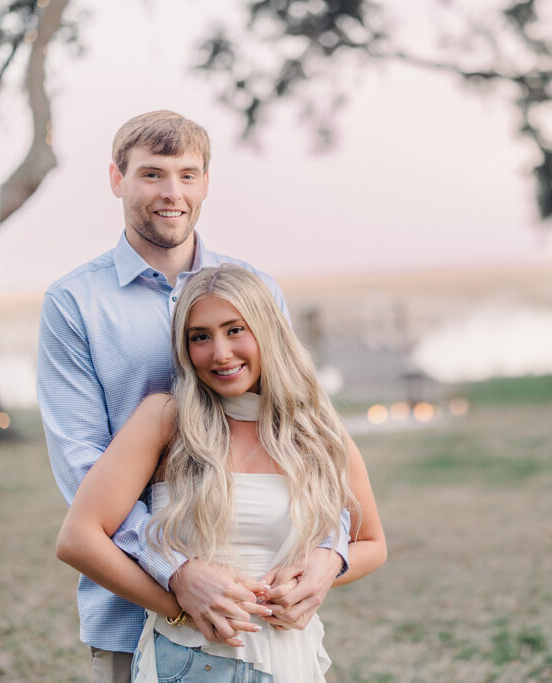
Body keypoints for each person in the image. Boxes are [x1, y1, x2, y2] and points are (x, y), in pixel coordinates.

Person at [37, 111, 352, 683]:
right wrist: (177, 572)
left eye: (187, 174)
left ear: (206, 182)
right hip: (130, 608)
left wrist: (330, 554)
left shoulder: (253, 289)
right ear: (117, 179)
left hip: (263, 622)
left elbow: (297, 427)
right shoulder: (73, 304)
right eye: (151, 174)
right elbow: (81, 467)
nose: (171, 193)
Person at [57, 265, 387, 682]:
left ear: (267, 331)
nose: (220, 353)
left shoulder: (316, 430)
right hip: (194, 664)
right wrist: (177, 601)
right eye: (200, 337)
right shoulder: (167, 419)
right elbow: (77, 539)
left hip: (291, 662)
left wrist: (327, 565)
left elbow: (372, 542)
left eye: (235, 330)